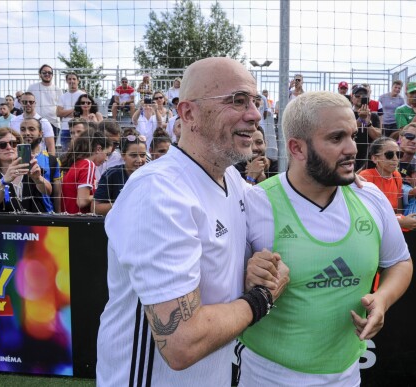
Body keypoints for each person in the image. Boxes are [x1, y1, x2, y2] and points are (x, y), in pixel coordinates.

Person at [97, 57, 289, 386]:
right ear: (188, 114)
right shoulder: (159, 192)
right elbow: (182, 343)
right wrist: (263, 296)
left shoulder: (233, 181)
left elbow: (290, 200)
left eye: (255, 102)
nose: (255, 115)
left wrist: (347, 189)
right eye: (237, 100)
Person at [238, 91, 413, 386]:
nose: (351, 149)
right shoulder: (256, 203)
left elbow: (400, 262)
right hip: (268, 375)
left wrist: (382, 300)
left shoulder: (369, 197)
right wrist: (247, 276)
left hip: (346, 374)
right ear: (297, 148)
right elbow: (222, 288)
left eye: (352, 135)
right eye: (336, 138)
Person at [359, 137, 416, 231]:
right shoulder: (366, 176)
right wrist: (400, 222)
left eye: (399, 154)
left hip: (391, 228)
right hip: (371, 229)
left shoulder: (396, 176)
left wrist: (404, 220)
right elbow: (366, 213)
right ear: (374, 158)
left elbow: (398, 209)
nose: (395, 159)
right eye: (389, 155)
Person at [0, 127, 51, 213]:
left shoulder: (30, 167)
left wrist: (37, 179)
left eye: (14, 143)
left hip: (35, 224)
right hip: (4, 225)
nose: (9, 147)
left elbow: (48, 192)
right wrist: (3, 181)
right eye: (2, 145)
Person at [94, 129, 147, 216]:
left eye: (142, 155)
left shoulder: (151, 176)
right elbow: (95, 208)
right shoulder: (111, 174)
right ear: (123, 155)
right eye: (133, 155)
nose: (139, 160)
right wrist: (126, 204)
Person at [60, 131, 113, 214]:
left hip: (70, 217)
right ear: (98, 149)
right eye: (107, 154)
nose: (107, 159)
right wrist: (104, 197)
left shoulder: (76, 164)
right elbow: (82, 201)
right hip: (80, 219)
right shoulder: (88, 164)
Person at [19, 117, 62, 213]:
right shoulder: (12, 158)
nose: (27, 133)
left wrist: (58, 215)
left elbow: (57, 194)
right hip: (18, 215)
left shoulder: (52, 160)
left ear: (40, 133)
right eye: (23, 129)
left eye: (31, 129)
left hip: (45, 214)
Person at [351, 84, 381, 170]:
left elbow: (378, 137)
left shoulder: (373, 116)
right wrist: (361, 119)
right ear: (352, 97)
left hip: (368, 155)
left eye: (364, 96)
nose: (360, 97)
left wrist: (368, 123)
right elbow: (348, 132)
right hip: (352, 152)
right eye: (357, 96)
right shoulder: (348, 114)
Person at [27, 64, 62, 137]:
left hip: (53, 123)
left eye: (49, 73)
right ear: (40, 75)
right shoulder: (32, 88)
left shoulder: (58, 90)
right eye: (44, 72)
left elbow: (61, 107)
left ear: (52, 75)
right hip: (35, 122)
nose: (47, 74)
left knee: (51, 148)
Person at [56, 72, 85, 152]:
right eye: (69, 79)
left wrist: (65, 113)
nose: (71, 81)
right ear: (66, 81)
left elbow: (83, 112)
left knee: (81, 152)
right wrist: (74, 109)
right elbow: (58, 113)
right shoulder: (63, 96)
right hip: (66, 128)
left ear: (78, 81)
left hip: (80, 128)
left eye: (74, 79)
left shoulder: (83, 95)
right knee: (66, 154)